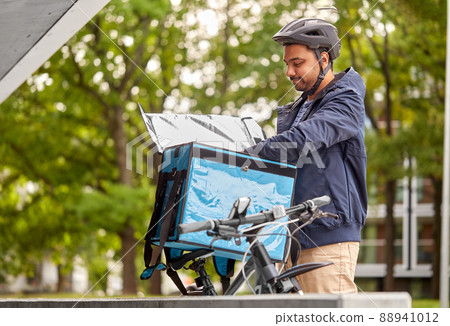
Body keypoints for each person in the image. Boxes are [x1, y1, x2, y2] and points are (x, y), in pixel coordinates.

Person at [246, 18, 367, 294]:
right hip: (292, 239)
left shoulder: (345, 100)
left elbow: (304, 140)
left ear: (323, 58)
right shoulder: (302, 107)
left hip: (328, 238)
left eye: (297, 63)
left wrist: (249, 154)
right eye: (286, 63)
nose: (289, 71)